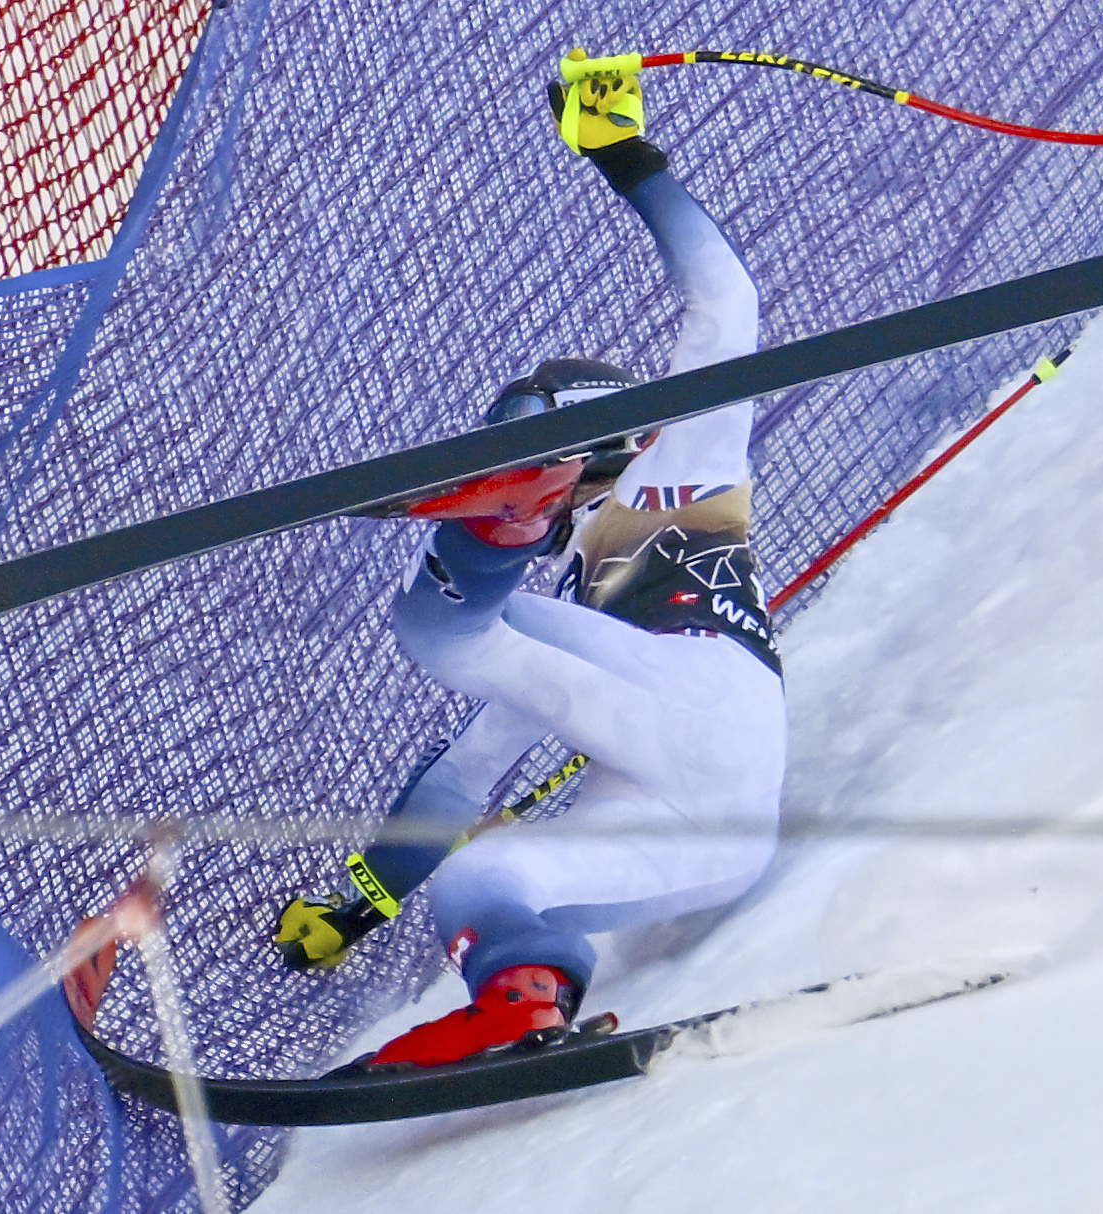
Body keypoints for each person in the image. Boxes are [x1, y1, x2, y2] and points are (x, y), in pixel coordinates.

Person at [274, 57, 787, 1068]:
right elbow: (462, 778)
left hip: (711, 691)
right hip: (711, 840)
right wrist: (362, 905)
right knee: (480, 887)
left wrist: (622, 153)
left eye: (539, 459)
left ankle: (492, 531)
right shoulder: (579, 605)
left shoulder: (688, 446)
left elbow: (726, 300)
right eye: (520, 466)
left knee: (448, 629)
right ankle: (521, 1005)